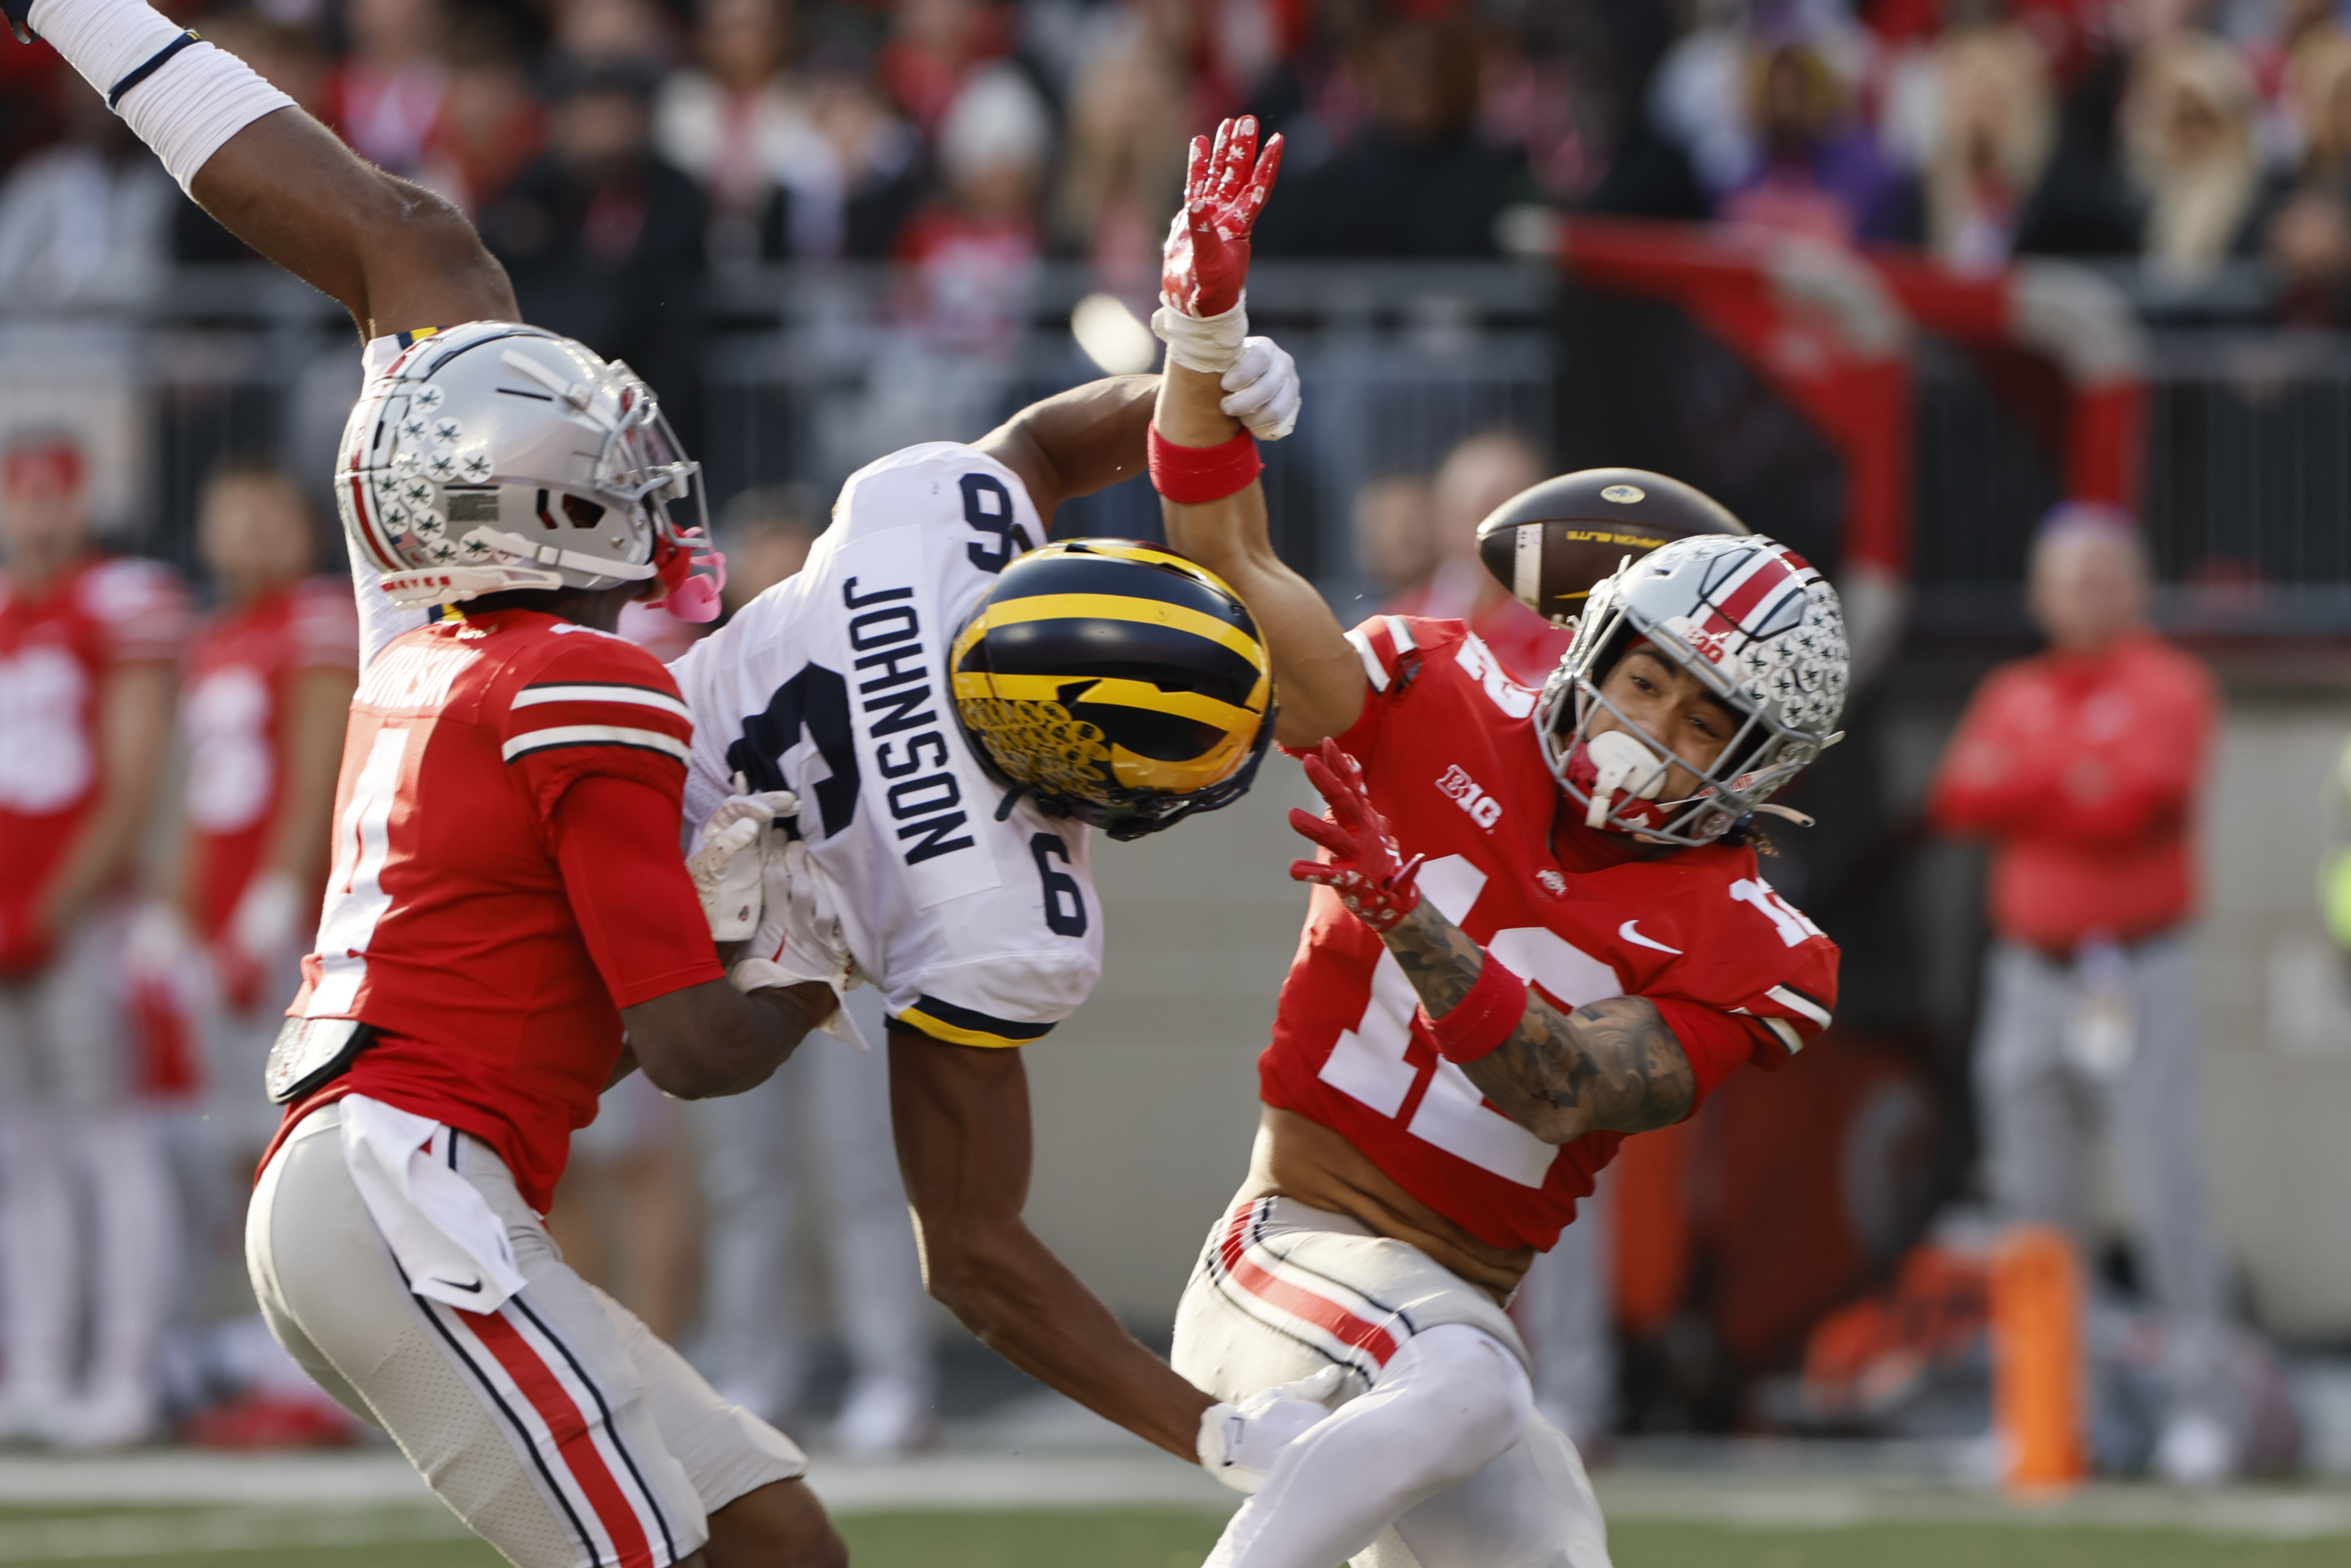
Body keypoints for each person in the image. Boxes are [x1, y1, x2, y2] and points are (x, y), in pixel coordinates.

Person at [11, 0, 852, 1557]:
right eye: (602, 460)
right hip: (407, 1186)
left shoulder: (447, 653)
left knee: (773, 1537)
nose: (639, 470)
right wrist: (814, 951)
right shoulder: (569, 674)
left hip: (404, 1169)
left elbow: (581, 1045)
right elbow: (687, 1048)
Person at [1154, 118, 1849, 1566]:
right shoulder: (1433, 689)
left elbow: (1564, 1087)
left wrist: (1414, 917)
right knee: (1470, 1382)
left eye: (1701, 717)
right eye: (1645, 675)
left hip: (1455, 1312)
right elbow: (1230, 568)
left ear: (1758, 764)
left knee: (1528, 1498)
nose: (1649, 722)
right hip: (1287, 1249)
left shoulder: (1757, 944)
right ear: (1594, 642)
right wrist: (1200, 338)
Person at [667, 117, 1316, 1477]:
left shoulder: (929, 526)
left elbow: (1033, 446)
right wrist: (1211, 1430)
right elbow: (968, 1252)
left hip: (570, 738)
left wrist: (1189, 382)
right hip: (637, 942)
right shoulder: (1000, 909)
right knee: (750, 1012)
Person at [1928, 502, 2232, 1485]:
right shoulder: (2013, 687)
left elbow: (2139, 800)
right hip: (2029, 974)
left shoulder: (2170, 683)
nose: (2087, 594)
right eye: (2069, 576)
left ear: (2136, 588)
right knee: (2034, 1204)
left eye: (2106, 574)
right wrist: (2073, 779)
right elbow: (1960, 798)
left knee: (2166, 1188)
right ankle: (2047, 1414)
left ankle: (2202, 1411)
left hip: (2135, 965)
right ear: (2039, 592)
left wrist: (2034, 780)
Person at [0, 428, 188, 1451]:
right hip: (8, 908)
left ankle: (124, 1368)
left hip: (81, 912)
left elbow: (133, 775)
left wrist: (53, 904)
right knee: (21, 1152)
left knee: (110, 1141)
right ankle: (35, 1364)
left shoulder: (115, 601)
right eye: (20, 494)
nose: (35, 514)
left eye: (50, 494)